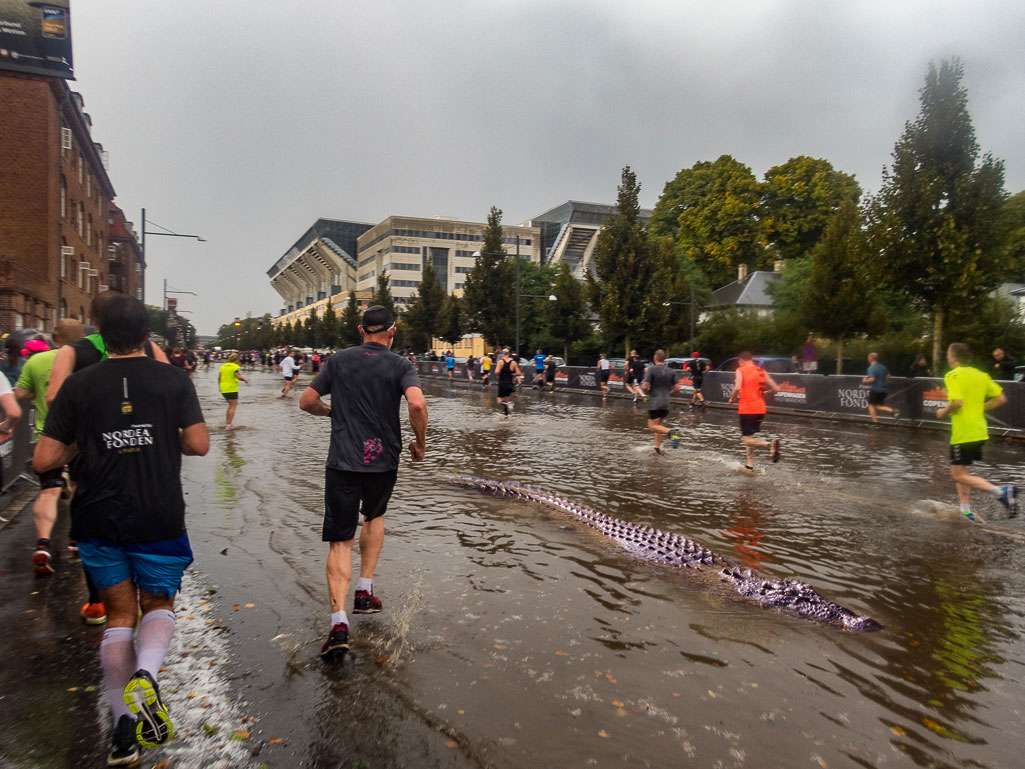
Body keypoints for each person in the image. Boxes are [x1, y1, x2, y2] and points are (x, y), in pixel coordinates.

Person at [33, 294, 209, 765]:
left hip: (97, 516)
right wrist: (155, 433)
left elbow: (44, 460)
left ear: (101, 334)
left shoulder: (78, 386)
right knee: (158, 605)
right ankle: (147, 675)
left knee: (117, 618)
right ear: (144, 333)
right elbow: (199, 445)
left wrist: (86, 441)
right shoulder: (174, 379)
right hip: (159, 514)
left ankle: (122, 738)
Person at [299, 305, 427, 661]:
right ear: (392, 331)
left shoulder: (339, 361)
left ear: (360, 330)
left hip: (341, 461)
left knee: (340, 541)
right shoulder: (402, 365)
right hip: (382, 461)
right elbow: (416, 404)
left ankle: (339, 624)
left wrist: (330, 412)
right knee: (374, 518)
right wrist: (420, 443)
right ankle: (364, 591)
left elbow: (306, 401)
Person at [15, 320, 83, 575]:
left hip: (47, 435)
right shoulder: (86, 361)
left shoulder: (35, 361)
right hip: (80, 438)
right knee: (79, 487)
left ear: (56, 337)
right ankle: (76, 539)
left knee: (48, 492)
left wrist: (36, 391)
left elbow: (19, 395)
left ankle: (42, 544)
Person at [936, 343, 1017, 521]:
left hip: (963, 432)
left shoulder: (953, 375)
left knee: (957, 475)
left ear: (953, 357)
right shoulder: (981, 375)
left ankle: (1001, 492)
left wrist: (943, 411)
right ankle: (966, 510)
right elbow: (1001, 398)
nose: (948, 358)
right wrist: (980, 408)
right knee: (963, 472)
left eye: (948, 354)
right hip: (979, 431)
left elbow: (957, 402)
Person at [728, 351, 781, 472]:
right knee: (750, 438)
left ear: (741, 361)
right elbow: (776, 388)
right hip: (760, 409)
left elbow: (737, 387)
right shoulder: (761, 370)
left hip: (747, 409)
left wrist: (732, 398)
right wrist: (765, 394)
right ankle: (750, 464)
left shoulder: (741, 370)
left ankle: (769, 444)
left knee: (746, 440)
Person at [642, 350, 682, 455]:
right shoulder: (671, 371)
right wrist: (669, 394)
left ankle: (672, 433)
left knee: (651, 426)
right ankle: (657, 448)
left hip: (655, 402)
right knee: (659, 424)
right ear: (664, 359)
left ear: (655, 358)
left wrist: (646, 391)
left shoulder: (651, 370)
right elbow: (677, 388)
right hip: (666, 403)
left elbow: (645, 386)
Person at [862, 352, 898, 423]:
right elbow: (888, 376)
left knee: (870, 405)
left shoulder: (871, 368)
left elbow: (872, 379)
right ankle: (893, 411)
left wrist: (865, 381)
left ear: (870, 359)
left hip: (876, 389)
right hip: (884, 390)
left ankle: (875, 422)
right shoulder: (882, 366)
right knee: (878, 406)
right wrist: (882, 380)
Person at [218, 353, 248, 428]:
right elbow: (237, 376)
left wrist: (220, 387)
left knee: (230, 406)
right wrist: (244, 379)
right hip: (231, 388)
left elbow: (219, 377)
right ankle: (229, 424)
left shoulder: (223, 366)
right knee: (233, 406)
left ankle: (227, 423)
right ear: (236, 360)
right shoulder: (235, 366)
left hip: (223, 389)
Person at [494, 348, 521, 416]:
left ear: (503, 354)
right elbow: (518, 373)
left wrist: (501, 373)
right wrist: (511, 374)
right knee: (506, 400)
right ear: (508, 354)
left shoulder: (500, 362)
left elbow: (496, 372)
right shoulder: (514, 362)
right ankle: (506, 416)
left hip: (502, 383)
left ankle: (505, 404)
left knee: (499, 400)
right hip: (510, 383)